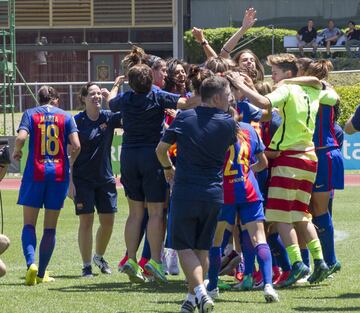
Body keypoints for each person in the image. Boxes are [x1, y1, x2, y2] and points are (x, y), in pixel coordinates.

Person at [228, 53, 339, 287]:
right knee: (301, 214)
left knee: (279, 215)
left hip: (289, 158)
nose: (273, 77)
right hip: (310, 158)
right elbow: (329, 92)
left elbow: (264, 103)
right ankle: (319, 262)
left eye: (276, 73)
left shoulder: (287, 89)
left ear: (288, 74)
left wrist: (239, 86)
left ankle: (297, 263)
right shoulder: (313, 90)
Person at [156, 76, 237, 313]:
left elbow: (161, 150)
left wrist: (168, 168)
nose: (231, 98)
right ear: (218, 97)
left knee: (183, 247)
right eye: (229, 94)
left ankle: (200, 291)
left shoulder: (185, 117)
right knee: (203, 248)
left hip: (185, 190)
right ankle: (191, 300)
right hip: (213, 193)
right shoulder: (229, 123)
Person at [109, 64, 195, 284]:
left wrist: (116, 85)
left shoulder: (126, 98)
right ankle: (156, 261)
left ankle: (131, 258)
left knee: (135, 213)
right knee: (156, 212)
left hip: (128, 156)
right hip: (152, 156)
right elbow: (185, 103)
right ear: (150, 81)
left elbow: (110, 102)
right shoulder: (157, 95)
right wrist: (204, 92)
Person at [13, 86, 80, 285]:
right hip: (58, 175)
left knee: (29, 224)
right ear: (56, 100)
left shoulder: (30, 114)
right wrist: (68, 162)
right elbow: (76, 145)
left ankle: (30, 265)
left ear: (39, 99)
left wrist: (17, 151)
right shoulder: (66, 116)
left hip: (35, 172)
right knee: (50, 228)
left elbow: (21, 138)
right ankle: (42, 273)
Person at [71, 82, 122, 277]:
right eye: (92, 93)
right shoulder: (76, 121)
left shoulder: (108, 118)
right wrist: (70, 182)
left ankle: (99, 256)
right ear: (83, 98)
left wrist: (112, 96)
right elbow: (70, 153)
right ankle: (86, 266)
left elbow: (127, 115)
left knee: (108, 221)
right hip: (82, 179)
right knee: (86, 222)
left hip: (105, 178)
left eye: (99, 93)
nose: (97, 96)